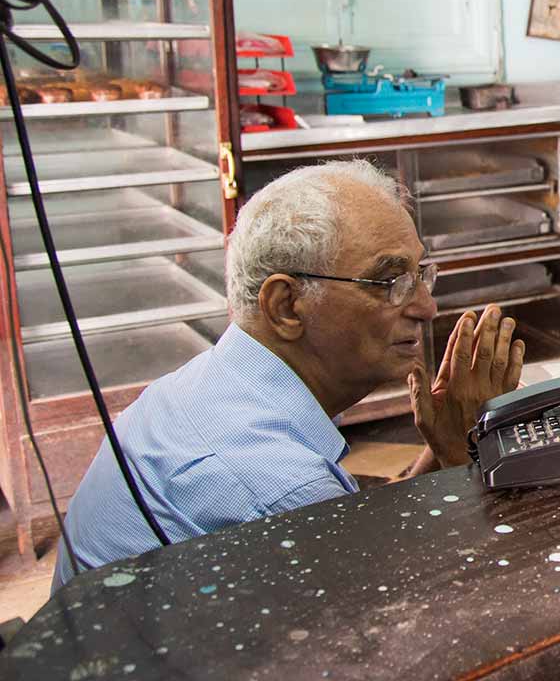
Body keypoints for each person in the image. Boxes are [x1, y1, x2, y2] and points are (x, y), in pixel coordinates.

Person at [52, 161, 524, 590]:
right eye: (389, 283)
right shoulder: (279, 488)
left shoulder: (207, 385)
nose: (426, 306)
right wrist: (467, 462)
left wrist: (441, 455)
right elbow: (403, 599)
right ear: (286, 306)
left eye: (421, 274)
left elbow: (359, 531)